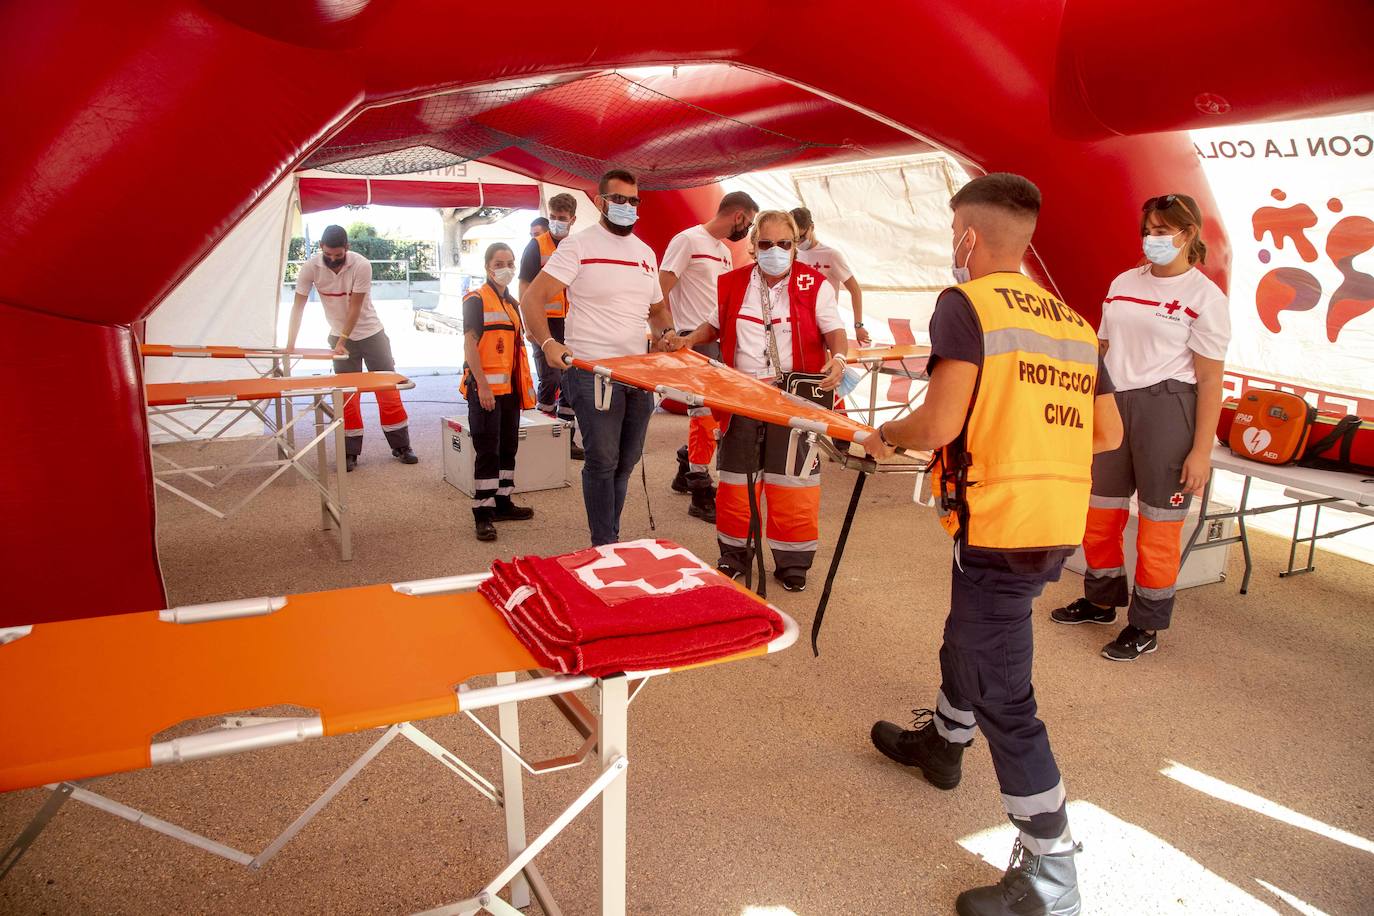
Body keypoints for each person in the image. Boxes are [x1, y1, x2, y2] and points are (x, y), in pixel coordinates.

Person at [862, 174, 1122, 916]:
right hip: (1048, 524)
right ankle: (944, 745)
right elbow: (1106, 433)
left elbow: (940, 423)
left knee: (1006, 692)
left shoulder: (965, 305)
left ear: (969, 237)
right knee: (966, 638)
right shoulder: (1071, 322)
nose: (953, 248)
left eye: (953, 235)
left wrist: (885, 436)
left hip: (998, 525)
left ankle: (1052, 869)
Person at [1050, 193, 1229, 661]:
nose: (1152, 239)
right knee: (1099, 514)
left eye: (1162, 231)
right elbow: (1103, 347)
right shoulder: (1124, 281)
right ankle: (1101, 600)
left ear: (1188, 234)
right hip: (1112, 403)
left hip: (1170, 408)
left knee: (1158, 527)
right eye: (1147, 230)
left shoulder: (1205, 297)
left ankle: (1146, 624)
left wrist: (1201, 452)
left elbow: (1211, 380)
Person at [674, 210, 847, 592]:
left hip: (794, 400)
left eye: (783, 244)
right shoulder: (731, 283)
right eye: (765, 244)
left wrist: (839, 357)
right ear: (753, 246)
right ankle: (734, 555)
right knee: (737, 480)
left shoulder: (815, 285)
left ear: (795, 247)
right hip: (742, 396)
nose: (774, 251)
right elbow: (714, 324)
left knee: (794, 483)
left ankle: (793, 562)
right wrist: (687, 339)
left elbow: (834, 330)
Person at [519, 169, 676, 547]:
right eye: (618, 199)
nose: (626, 207)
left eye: (633, 200)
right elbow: (531, 299)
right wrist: (546, 342)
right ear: (602, 202)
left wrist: (667, 335)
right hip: (593, 374)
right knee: (603, 461)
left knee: (626, 461)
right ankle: (604, 544)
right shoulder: (579, 245)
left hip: (636, 374)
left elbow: (656, 310)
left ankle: (610, 534)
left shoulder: (645, 253)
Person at [660, 190, 760, 523]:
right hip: (691, 339)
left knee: (715, 416)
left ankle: (686, 464)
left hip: (717, 340)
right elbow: (660, 288)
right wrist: (666, 334)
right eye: (750, 222)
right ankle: (700, 490)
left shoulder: (723, 251)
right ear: (739, 216)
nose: (748, 229)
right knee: (704, 416)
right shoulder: (687, 240)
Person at [286, 224, 418, 472]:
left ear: (347, 248)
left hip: (371, 335)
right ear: (321, 249)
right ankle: (350, 452)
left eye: (338, 255)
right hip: (339, 338)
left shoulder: (361, 264)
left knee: (388, 390)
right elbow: (298, 307)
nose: (333, 260)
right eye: (328, 255)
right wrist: (290, 344)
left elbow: (355, 307)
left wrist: (343, 340)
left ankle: (401, 446)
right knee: (347, 395)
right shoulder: (310, 268)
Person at [460, 243, 537, 542]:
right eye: (498, 262)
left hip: (510, 392)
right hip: (486, 391)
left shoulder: (512, 304)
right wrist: (482, 386)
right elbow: (470, 344)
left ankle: (503, 502)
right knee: (487, 452)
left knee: (508, 449)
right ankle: (483, 512)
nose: (505, 267)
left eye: (509, 262)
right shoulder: (476, 299)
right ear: (487, 267)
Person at [520, 193, 583, 459]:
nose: (557, 223)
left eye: (562, 219)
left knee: (570, 382)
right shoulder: (536, 246)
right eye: (554, 218)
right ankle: (543, 431)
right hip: (544, 325)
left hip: (571, 325)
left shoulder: (579, 245)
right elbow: (524, 286)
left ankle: (566, 438)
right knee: (551, 378)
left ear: (573, 220)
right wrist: (530, 326)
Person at [791, 207, 872, 346]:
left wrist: (858, 325)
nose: (799, 242)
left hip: (825, 325)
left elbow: (855, 290)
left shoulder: (831, 255)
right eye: (795, 238)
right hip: (799, 324)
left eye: (802, 237)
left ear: (812, 227)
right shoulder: (791, 254)